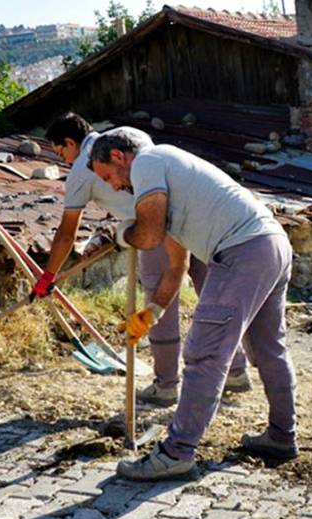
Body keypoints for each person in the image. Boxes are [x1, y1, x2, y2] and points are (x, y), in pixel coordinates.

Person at [89, 129, 298, 481]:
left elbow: (148, 236)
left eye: (108, 176)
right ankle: (281, 436)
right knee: (267, 349)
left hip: (242, 251)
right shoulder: (172, 176)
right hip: (270, 244)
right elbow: (176, 266)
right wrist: (150, 314)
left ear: (119, 157)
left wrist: (120, 235)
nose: (112, 186)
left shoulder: (148, 162)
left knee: (204, 354)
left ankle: (176, 452)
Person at [33, 114, 252, 406]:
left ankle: (166, 386)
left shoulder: (78, 176)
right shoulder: (127, 134)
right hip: (188, 219)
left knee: (159, 304)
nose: (65, 161)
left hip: (151, 229)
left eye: (62, 152)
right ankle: (236, 372)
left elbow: (65, 235)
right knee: (211, 297)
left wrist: (47, 277)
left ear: (71, 143)